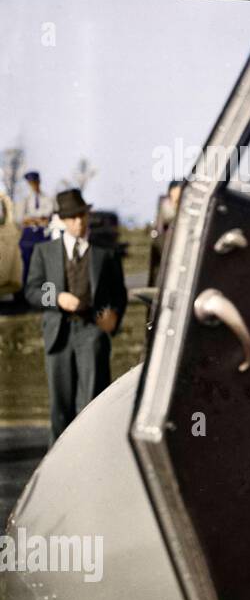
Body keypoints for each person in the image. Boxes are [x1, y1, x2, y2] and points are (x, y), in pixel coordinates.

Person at [24, 189, 128, 444]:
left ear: (87, 214)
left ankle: (93, 462)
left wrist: (111, 317)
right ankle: (55, 472)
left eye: (81, 215)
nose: (78, 222)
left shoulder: (105, 253)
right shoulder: (46, 252)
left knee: (92, 405)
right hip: (58, 336)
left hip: (92, 333)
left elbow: (118, 295)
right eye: (71, 218)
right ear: (62, 220)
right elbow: (33, 290)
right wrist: (57, 298)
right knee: (60, 408)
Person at [15, 170, 54, 295]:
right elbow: (21, 218)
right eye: (31, 183)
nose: (33, 185)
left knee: (45, 263)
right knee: (25, 263)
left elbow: (48, 215)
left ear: (39, 182)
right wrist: (37, 219)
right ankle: (25, 293)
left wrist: (32, 218)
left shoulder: (47, 198)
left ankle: (45, 294)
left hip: (43, 234)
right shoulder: (25, 200)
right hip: (28, 235)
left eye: (35, 182)